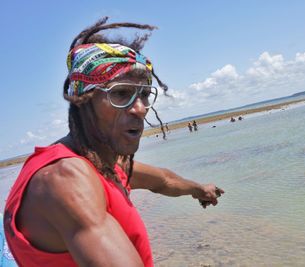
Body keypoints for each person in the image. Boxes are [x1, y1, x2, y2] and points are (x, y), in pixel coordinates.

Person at [3, 18, 223, 267]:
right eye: (121, 93)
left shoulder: (100, 162)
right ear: (83, 99)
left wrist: (199, 189)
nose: (140, 108)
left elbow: (163, 180)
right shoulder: (65, 179)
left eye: (144, 94)